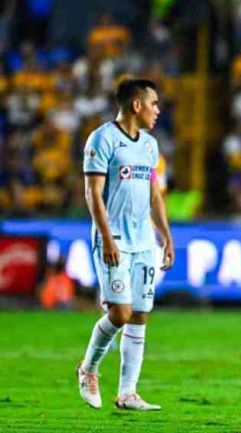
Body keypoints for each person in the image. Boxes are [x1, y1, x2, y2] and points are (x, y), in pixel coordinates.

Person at [78, 78, 174, 411]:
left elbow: (154, 195)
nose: (158, 110)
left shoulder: (149, 145)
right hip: (114, 238)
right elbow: (92, 193)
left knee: (140, 314)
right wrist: (105, 237)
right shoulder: (102, 139)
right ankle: (88, 368)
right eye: (154, 103)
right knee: (120, 312)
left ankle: (127, 392)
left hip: (144, 241)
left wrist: (166, 237)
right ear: (136, 105)